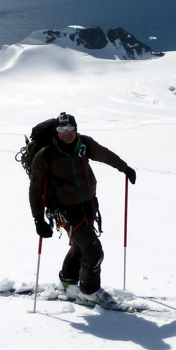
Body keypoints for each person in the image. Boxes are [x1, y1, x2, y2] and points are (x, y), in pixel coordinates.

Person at [28, 111, 137, 303]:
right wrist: (38, 218)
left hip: (87, 204)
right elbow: (36, 188)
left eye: (70, 128)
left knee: (80, 246)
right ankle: (89, 291)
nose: (66, 132)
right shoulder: (46, 155)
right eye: (61, 129)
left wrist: (124, 168)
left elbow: (105, 155)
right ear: (56, 131)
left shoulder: (84, 144)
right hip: (65, 209)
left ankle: (69, 280)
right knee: (93, 250)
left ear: (76, 129)